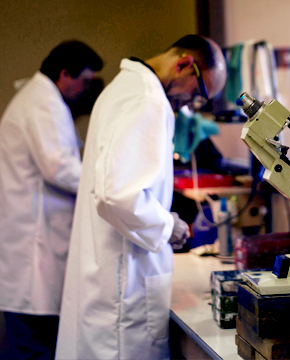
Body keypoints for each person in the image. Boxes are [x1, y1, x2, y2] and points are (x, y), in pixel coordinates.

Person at [55, 34, 227, 360]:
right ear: (184, 65)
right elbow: (119, 195)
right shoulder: (147, 100)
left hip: (108, 281)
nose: (192, 104)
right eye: (199, 92)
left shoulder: (124, 88)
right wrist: (168, 227)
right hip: (123, 295)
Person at [0, 40, 103, 360]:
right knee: (35, 347)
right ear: (64, 74)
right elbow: (59, 168)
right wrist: (107, 187)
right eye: (84, 81)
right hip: (35, 257)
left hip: (35, 248)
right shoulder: (42, 102)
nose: (86, 89)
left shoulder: (40, 98)